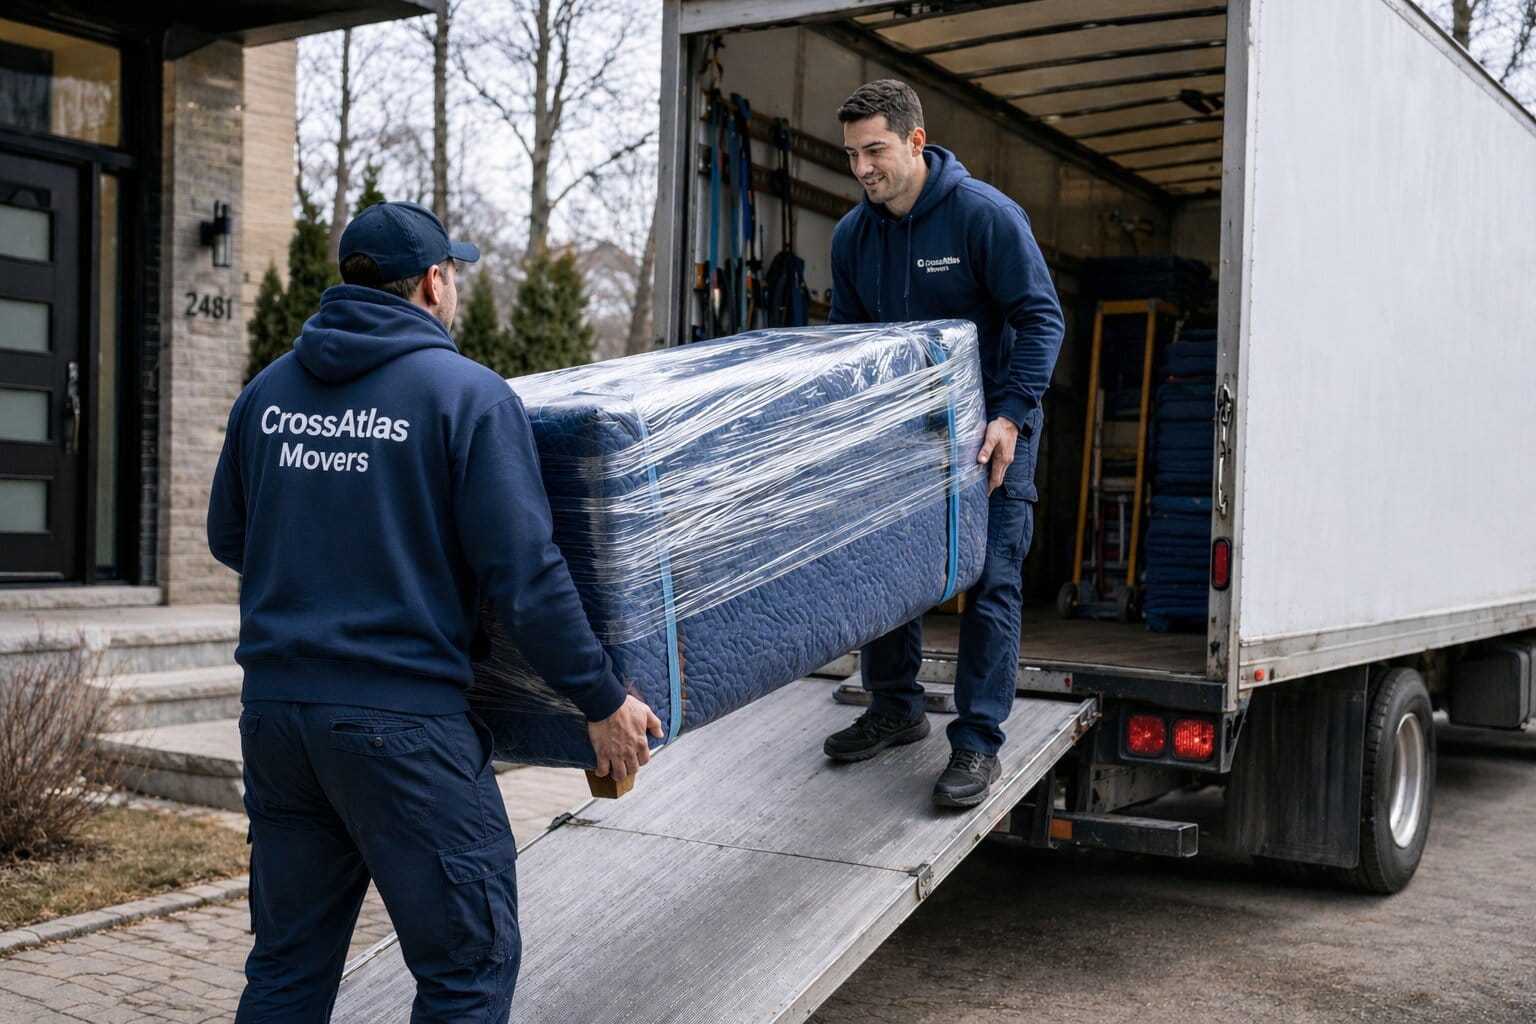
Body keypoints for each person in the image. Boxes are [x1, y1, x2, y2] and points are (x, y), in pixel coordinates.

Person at [207, 200, 661, 1022]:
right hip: (402, 729)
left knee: (286, 968)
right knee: (468, 966)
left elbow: (231, 538)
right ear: (433, 283)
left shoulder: (266, 395)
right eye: (452, 275)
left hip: (277, 724)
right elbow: (525, 574)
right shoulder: (467, 396)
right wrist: (599, 699)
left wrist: (332, 577)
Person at [821, 80, 1065, 808]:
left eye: (875, 151)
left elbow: (1041, 318)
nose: (863, 168)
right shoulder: (852, 236)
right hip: (902, 440)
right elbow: (847, 344)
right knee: (888, 573)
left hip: (990, 435)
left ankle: (978, 741)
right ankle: (895, 708)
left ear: (915, 141)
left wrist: (1011, 415)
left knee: (991, 583)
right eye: (852, 154)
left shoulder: (983, 217)